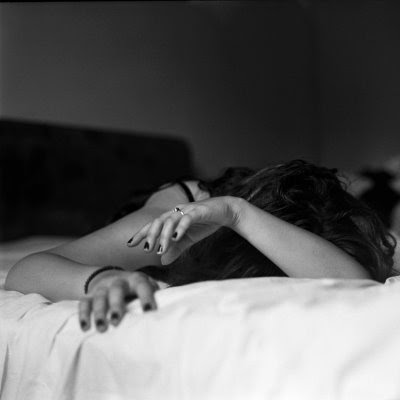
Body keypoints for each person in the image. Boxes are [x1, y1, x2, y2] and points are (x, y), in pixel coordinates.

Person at [5, 160, 396, 333]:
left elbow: (354, 285)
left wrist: (239, 213)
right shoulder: (172, 226)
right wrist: (102, 279)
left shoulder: (318, 218)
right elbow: (26, 271)